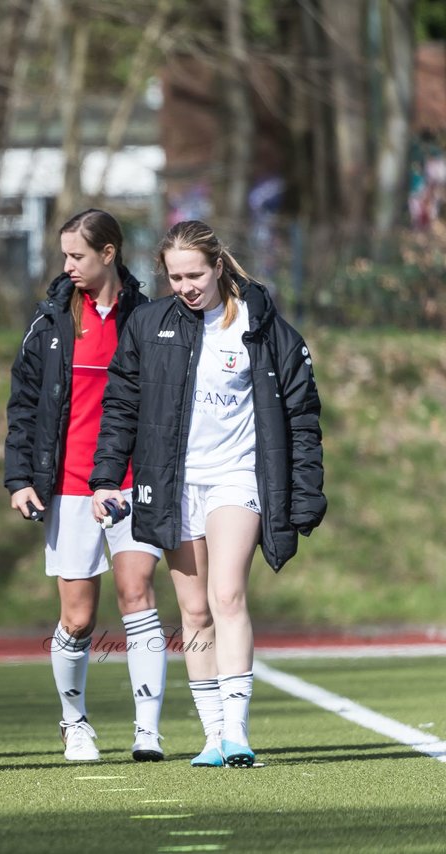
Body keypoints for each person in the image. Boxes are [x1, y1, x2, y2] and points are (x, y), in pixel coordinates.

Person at [90, 220, 325, 768]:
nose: (186, 286)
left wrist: (306, 491)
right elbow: (121, 404)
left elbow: (301, 417)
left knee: (226, 595)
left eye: (195, 274)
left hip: (238, 477)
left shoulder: (266, 329)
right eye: (175, 277)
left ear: (219, 267)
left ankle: (239, 732)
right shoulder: (148, 325)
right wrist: (106, 476)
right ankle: (213, 736)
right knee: (193, 611)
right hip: (172, 482)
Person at [4, 209, 168, 763]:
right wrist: (19, 477)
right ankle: (75, 723)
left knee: (137, 595)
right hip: (69, 485)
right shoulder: (49, 319)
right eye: (64, 255)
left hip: (128, 482)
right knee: (77, 618)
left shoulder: (145, 316)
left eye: (77, 255)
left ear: (109, 253)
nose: (67, 266)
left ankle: (149, 730)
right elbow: (24, 404)